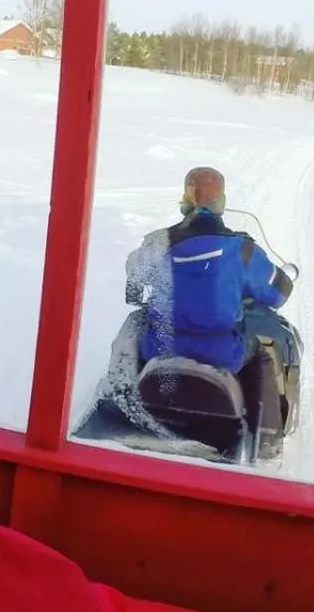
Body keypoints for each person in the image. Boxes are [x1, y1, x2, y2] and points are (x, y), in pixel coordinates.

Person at [125, 166, 295, 428]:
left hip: (159, 347)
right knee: (264, 353)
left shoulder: (159, 242)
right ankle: (267, 436)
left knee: (132, 330)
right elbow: (277, 294)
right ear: (221, 202)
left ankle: (121, 402)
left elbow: (133, 277)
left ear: (185, 200)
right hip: (223, 353)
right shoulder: (242, 248)